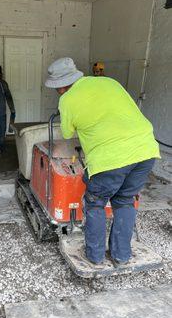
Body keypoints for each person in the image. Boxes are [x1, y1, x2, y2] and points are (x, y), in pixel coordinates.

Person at [45, 57, 160, 267]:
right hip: (146, 150)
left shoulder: (67, 99)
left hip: (110, 158)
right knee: (124, 201)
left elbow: (68, 132)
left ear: (60, 87)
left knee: (95, 203)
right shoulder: (110, 82)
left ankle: (95, 257)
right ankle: (121, 255)